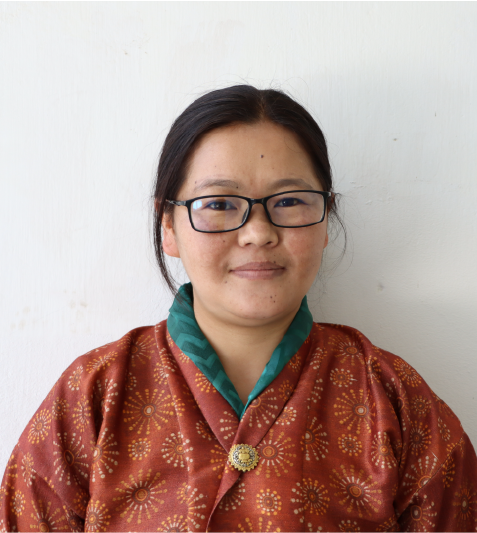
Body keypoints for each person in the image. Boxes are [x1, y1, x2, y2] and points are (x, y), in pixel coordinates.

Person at [1, 85, 476, 533]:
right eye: (219, 204)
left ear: (326, 220)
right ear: (168, 226)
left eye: (289, 201)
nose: (258, 232)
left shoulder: (393, 399)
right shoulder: (93, 396)